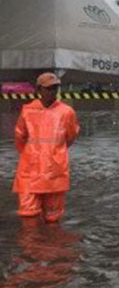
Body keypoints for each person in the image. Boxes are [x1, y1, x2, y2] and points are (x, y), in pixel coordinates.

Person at [12, 73, 80, 223]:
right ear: (39, 90)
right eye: (49, 88)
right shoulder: (27, 111)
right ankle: (32, 246)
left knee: (53, 219)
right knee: (28, 217)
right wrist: (31, 155)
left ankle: (51, 246)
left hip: (54, 173)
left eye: (55, 88)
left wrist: (54, 152)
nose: (53, 92)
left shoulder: (67, 112)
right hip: (30, 173)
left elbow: (71, 136)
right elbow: (19, 137)